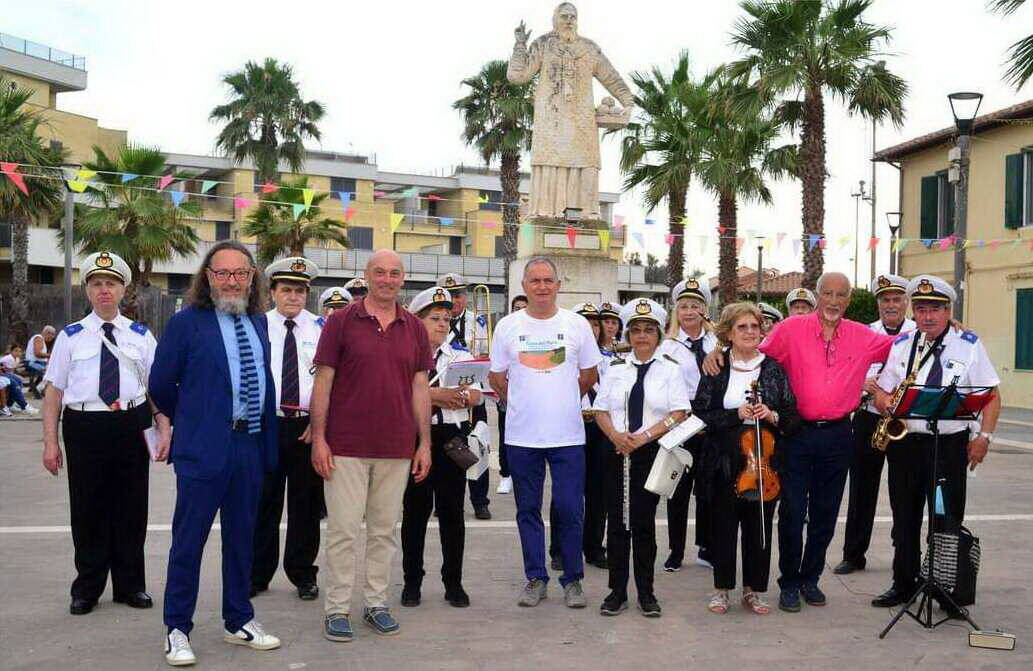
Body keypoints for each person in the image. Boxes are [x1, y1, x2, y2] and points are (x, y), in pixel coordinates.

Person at [150, 241, 282, 666]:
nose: (231, 281)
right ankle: (177, 628)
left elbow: (264, 384)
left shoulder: (259, 322)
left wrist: (266, 446)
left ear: (252, 277)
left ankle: (238, 619)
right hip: (204, 450)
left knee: (243, 539)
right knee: (189, 542)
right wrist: (195, 420)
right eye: (222, 273)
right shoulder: (187, 323)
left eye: (240, 273)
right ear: (207, 278)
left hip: (248, 446)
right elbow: (160, 383)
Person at [310, 249, 432, 641]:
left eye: (395, 273)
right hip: (345, 446)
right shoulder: (341, 322)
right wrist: (320, 440)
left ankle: (376, 603)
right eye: (379, 272)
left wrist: (423, 443)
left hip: (396, 448)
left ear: (402, 279)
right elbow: (323, 382)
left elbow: (419, 387)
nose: (387, 279)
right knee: (344, 531)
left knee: (383, 531)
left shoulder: (414, 327)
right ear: (366, 276)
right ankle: (337, 609)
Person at [40, 251, 170, 617]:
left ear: (123, 289)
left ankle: (131, 586)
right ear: (87, 291)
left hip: (132, 422)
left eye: (110, 283)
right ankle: (88, 587)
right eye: (96, 284)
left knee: (132, 507)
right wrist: (51, 442)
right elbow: (54, 391)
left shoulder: (142, 336)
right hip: (85, 426)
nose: (104, 290)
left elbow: (156, 386)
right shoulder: (70, 337)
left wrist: (163, 423)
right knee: (87, 508)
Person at [870, 275, 1001, 615]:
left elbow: (991, 395)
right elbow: (883, 391)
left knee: (946, 517)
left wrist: (983, 438)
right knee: (905, 517)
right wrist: (885, 401)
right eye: (921, 309)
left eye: (935, 310)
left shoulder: (969, 344)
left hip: (950, 445)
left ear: (948, 310)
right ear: (913, 311)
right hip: (907, 444)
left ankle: (946, 589)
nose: (927, 316)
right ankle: (904, 583)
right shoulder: (901, 345)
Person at [489, 256, 602, 609]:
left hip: (568, 437)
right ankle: (536, 577)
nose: (541, 286)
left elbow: (589, 374)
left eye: (547, 280)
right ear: (524, 286)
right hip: (522, 438)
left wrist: (564, 399)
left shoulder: (577, 325)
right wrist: (522, 401)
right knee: (528, 510)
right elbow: (496, 378)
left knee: (570, 509)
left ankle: (573, 579)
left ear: (558, 285)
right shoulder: (507, 326)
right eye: (534, 281)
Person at [692, 303, 801, 615]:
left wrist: (772, 414)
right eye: (742, 327)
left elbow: (793, 418)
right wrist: (734, 414)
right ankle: (721, 589)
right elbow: (701, 413)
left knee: (759, 529)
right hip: (722, 462)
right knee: (723, 528)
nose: (750, 332)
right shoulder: (716, 366)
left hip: (763, 462)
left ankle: (753, 590)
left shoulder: (774, 369)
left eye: (755, 326)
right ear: (728, 332)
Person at [593, 299, 689, 617]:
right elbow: (600, 409)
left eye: (649, 330)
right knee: (618, 524)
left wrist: (645, 437)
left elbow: (679, 412)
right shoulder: (616, 368)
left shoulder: (670, 370)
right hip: (616, 450)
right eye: (636, 330)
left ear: (659, 334)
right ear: (628, 334)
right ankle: (616, 592)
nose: (642, 336)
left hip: (650, 451)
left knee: (643, 524)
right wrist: (616, 437)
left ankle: (646, 593)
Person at [400, 287, 482, 609]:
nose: (442, 324)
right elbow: (398, 391)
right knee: (415, 514)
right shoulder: (404, 354)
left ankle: (453, 582)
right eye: (434, 318)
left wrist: (459, 396)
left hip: (450, 438)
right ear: (418, 321)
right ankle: (412, 582)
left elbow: (476, 395)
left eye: (446, 319)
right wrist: (436, 395)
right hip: (415, 437)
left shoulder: (459, 356)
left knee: (452, 514)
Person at [250, 257, 326, 601]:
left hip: (307, 427)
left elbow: (334, 380)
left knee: (305, 505)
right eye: (286, 290)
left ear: (306, 294)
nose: (293, 296)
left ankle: (302, 573)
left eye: (299, 290)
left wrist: (321, 422)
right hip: (267, 425)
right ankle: (257, 573)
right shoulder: (256, 326)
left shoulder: (322, 328)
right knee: (263, 502)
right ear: (273, 292)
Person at [835, 274, 916, 576]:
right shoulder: (864, 333)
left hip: (904, 418)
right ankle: (854, 554)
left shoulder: (918, 332)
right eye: (885, 300)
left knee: (904, 488)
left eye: (896, 299)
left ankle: (903, 551)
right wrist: (861, 383)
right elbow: (846, 373)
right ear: (878, 303)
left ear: (906, 302)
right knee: (861, 488)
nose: (891, 305)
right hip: (869, 417)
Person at [658, 278, 718, 572]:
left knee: (709, 488)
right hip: (681, 420)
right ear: (676, 311)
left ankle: (706, 547)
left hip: (711, 418)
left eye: (695, 306)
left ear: (705, 310)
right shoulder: (667, 345)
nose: (690, 312)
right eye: (684, 306)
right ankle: (675, 550)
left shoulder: (717, 341)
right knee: (678, 490)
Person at [549, 302, 609, 571]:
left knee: (598, 492)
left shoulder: (611, 358)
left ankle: (594, 547)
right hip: (569, 425)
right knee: (565, 492)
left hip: (600, 427)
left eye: (596, 324)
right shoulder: (560, 355)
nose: (592, 328)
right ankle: (559, 550)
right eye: (586, 323)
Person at [437, 272, 492, 520]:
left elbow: (483, 354)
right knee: (446, 445)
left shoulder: (477, 321)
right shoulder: (436, 320)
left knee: (477, 444)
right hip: (442, 388)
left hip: (471, 387)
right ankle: (442, 499)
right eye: (451, 295)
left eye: (459, 294)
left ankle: (480, 500)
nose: (456, 300)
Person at [497, 295, 530, 496]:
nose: (519, 311)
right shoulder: (506, 331)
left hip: (533, 398)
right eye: (516, 308)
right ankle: (505, 475)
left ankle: (522, 476)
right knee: (505, 437)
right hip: (508, 394)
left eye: (523, 308)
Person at [1, 343, 37, 414]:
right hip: (4, 373)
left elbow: (13, 370)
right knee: (14, 381)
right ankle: (24, 406)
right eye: (16, 351)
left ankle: (10, 404)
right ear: (11, 351)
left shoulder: (17, 359)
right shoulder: (8, 358)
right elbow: (5, 369)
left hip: (7, 373)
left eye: (19, 351)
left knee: (19, 381)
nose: (18, 353)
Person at [26, 325, 56, 398]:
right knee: (49, 373)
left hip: (37, 363)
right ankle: (38, 391)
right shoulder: (39, 338)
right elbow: (37, 353)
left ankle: (33, 391)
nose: (52, 337)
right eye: (51, 335)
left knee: (52, 370)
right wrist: (51, 355)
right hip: (32, 363)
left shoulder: (41, 339)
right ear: (47, 333)